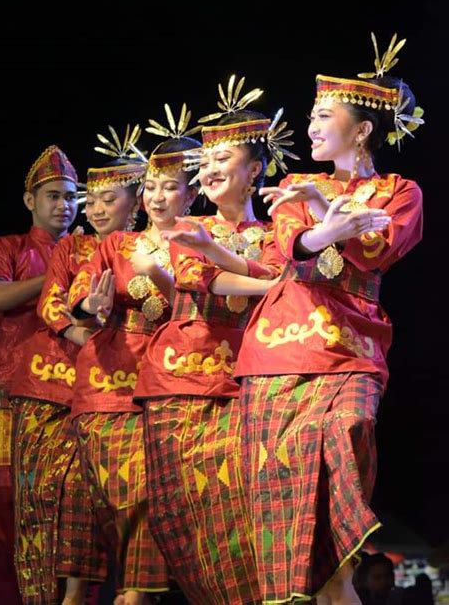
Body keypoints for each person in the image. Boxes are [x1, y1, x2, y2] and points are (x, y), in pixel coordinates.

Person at [234, 34, 424, 604]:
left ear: (362, 128)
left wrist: (327, 213)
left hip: (353, 349)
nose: (312, 126)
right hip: (278, 351)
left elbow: (378, 250)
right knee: (285, 510)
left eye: (323, 115)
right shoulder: (295, 186)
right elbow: (296, 246)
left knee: (348, 431)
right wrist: (323, 221)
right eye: (312, 115)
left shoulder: (399, 191)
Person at [135, 77, 291, 604]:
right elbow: (200, 278)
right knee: (180, 519)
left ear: (254, 170)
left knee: (238, 518)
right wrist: (273, 284)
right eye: (205, 160)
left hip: (243, 387)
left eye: (223, 156)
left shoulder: (276, 235)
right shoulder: (188, 226)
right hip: (176, 380)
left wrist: (277, 278)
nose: (209, 167)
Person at [69, 108, 200, 605]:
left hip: (183, 388)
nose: (157, 197)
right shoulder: (118, 245)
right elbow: (80, 298)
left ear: (191, 193)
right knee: (129, 505)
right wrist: (91, 305)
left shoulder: (204, 241)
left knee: (164, 509)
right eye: (150, 186)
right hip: (113, 394)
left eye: (171, 187)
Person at [10, 126, 143, 605]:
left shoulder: (150, 247)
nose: (97, 209)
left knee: (121, 510)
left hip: (132, 392)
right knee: (61, 502)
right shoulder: (74, 248)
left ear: (138, 201)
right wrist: (79, 327)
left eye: (110, 199)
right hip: (68, 391)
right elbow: (52, 303)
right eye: (93, 200)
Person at [0, 145, 78, 604]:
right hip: (2, 403)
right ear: (29, 201)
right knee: (2, 515)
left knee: (66, 515)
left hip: (64, 402)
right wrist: (57, 275)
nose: (64, 205)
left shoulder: (90, 251)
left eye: (72, 197)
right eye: (53, 196)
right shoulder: (8, 248)